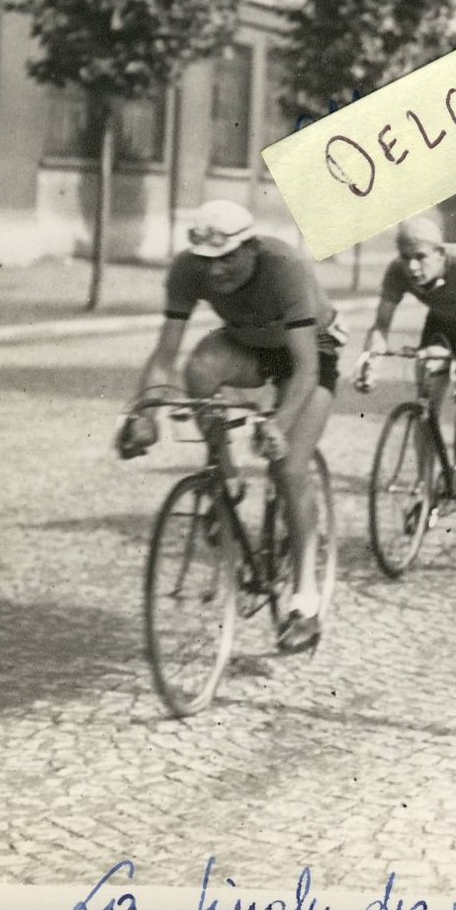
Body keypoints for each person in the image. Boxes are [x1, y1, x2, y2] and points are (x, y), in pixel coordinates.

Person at [116, 199, 343, 654]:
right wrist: (144, 413)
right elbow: (166, 356)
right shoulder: (186, 270)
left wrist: (278, 424)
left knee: (288, 468)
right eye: (206, 262)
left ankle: (304, 600)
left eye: (227, 259)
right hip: (247, 346)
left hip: (308, 354)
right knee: (199, 368)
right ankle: (227, 477)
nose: (215, 272)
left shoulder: (284, 267)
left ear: (251, 247)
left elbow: (305, 370)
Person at [361, 216, 456, 469]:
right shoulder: (397, 270)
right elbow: (381, 325)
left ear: (440, 253)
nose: (411, 267)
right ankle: (424, 488)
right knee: (426, 401)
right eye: (404, 256)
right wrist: (371, 360)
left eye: (420, 257)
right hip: (444, 320)